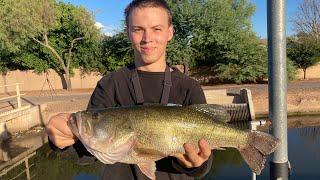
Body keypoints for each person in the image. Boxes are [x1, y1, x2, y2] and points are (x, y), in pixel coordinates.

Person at [46, 0, 213, 179]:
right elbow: (89, 152)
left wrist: (197, 165)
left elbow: (204, 162)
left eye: (157, 29)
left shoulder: (190, 87)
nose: (147, 37)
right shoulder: (109, 84)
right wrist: (64, 140)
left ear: (170, 32)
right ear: (128, 33)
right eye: (137, 29)